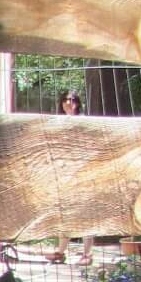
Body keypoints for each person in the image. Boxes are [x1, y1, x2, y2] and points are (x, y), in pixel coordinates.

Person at [48, 91, 93, 262]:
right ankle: (60, 252)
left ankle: (87, 254)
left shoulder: (84, 122)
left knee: (86, 213)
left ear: (78, 103)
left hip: (83, 171)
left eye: (72, 100)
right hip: (64, 172)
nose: (68, 103)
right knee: (64, 213)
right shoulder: (58, 122)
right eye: (65, 100)